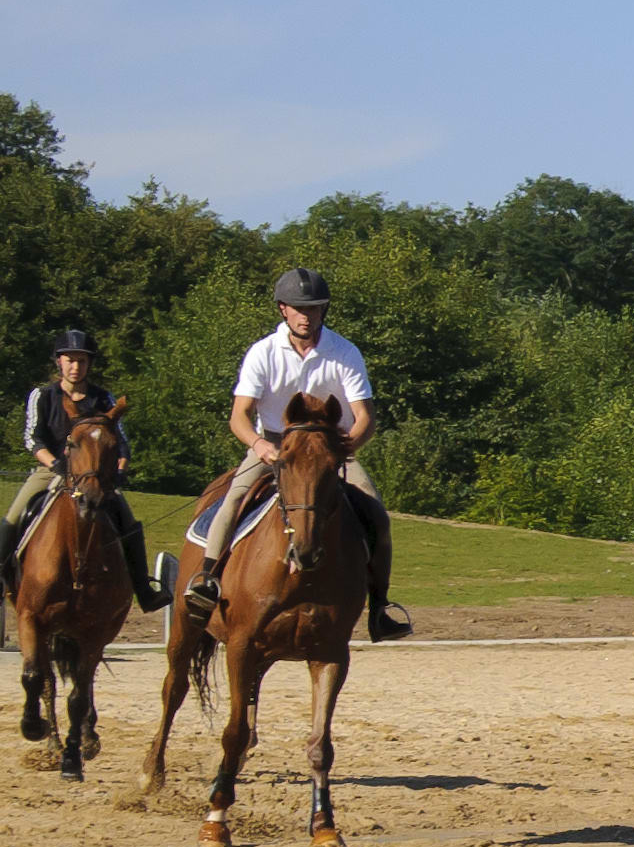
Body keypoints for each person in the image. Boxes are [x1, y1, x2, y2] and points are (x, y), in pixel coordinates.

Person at [186, 265, 409, 641]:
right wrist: (259, 445)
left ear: (324, 310)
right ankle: (207, 579)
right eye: (299, 308)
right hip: (275, 445)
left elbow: (364, 417)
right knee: (233, 499)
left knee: (375, 511)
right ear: (283, 309)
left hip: (330, 447)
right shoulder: (262, 352)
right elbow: (239, 416)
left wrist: (344, 448)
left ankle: (379, 606)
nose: (306, 316)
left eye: (314, 308)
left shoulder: (344, 352)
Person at [10, 328, 167, 608]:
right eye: (70, 360)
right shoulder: (42, 395)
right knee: (13, 517)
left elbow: (121, 443)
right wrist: (55, 463)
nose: (75, 366)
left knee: (128, 523)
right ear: (59, 362)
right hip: (52, 470)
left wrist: (120, 470)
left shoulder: (104, 398)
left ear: (89, 364)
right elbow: (32, 439)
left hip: (96, 475)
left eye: (81, 361)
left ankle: (144, 589)